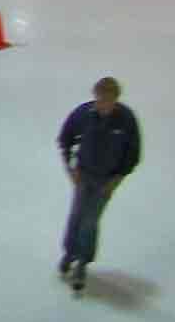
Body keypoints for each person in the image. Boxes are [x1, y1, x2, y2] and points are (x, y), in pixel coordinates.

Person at [56, 77, 141, 292]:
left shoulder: (125, 119)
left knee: (90, 221)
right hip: (83, 176)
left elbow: (132, 154)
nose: (104, 104)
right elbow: (65, 139)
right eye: (100, 100)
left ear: (116, 100)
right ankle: (69, 253)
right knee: (76, 216)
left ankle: (82, 263)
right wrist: (70, 167)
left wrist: (117, 180)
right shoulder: (84, 115)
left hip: (106, 181)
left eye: (108, 101)